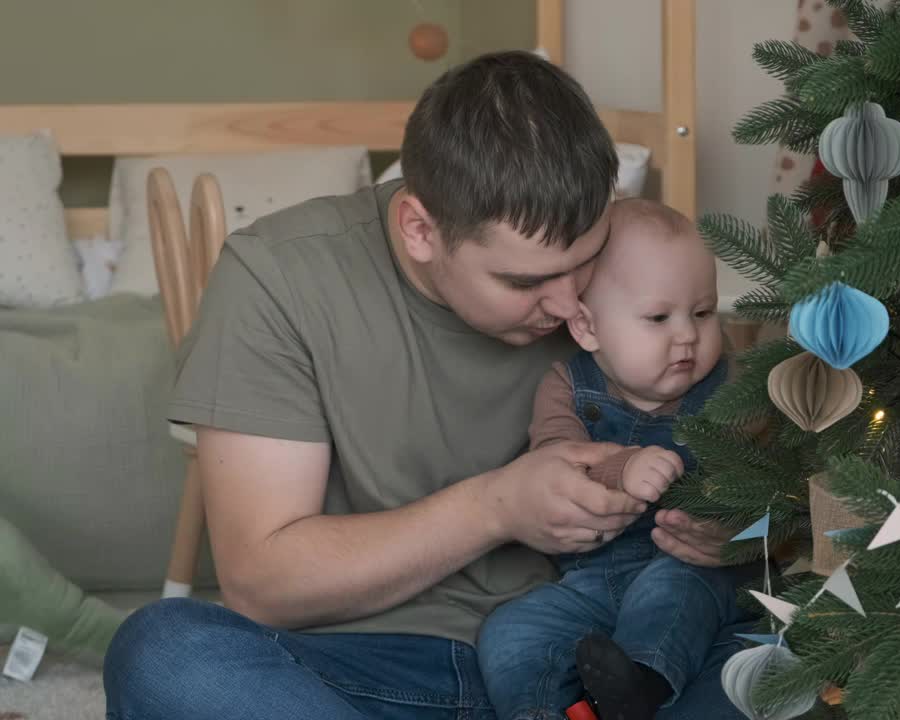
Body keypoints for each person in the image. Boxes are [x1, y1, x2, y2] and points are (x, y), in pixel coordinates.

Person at [102, 51, 750, 720]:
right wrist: (496, 507)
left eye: (582, 263)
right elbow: (264, 583)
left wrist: (735, 531)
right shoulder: (278, 279)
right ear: (420, 229)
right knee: (165, 653)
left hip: (610, 656)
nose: (566, 306)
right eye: (524, 281)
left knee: (795, 651)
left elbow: (748, 437)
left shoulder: (629, 257)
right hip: (378, 669)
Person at [477, 199, 751, 720]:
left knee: (672, 590)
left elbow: (773, 480)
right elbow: (555, 464)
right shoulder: (567, 388)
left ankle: (638, 688)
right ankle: (539, 711)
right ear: (587, 327)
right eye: (658, 317)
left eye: (703, 312)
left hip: (690, 566)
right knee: (512, 629)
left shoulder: (731, 389)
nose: (688, 335)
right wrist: (619, 467)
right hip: (589, 582)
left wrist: (732, 527)